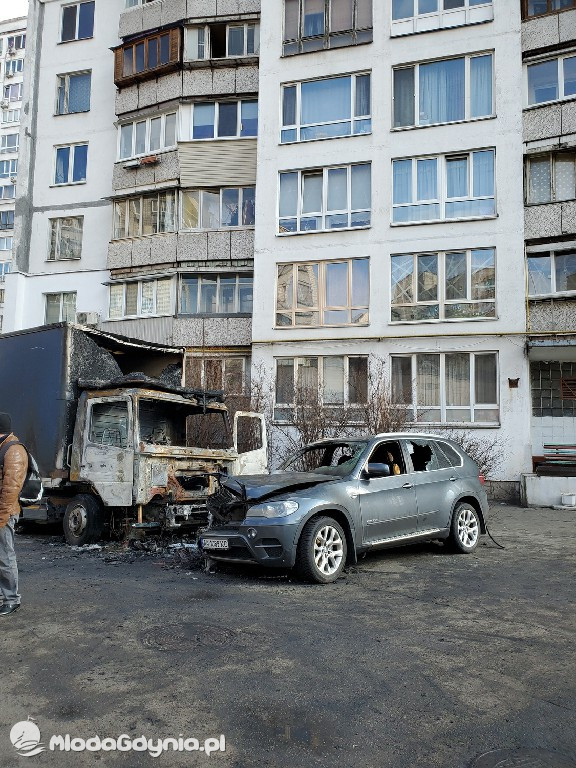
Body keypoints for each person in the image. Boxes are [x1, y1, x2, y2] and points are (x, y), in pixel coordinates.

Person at [0, 412, 28, 617]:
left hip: (4, 513)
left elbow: (11, 490)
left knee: (5, 557)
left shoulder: (13, 451)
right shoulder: (3, 448)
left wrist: (1, 517)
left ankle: (11, 600)